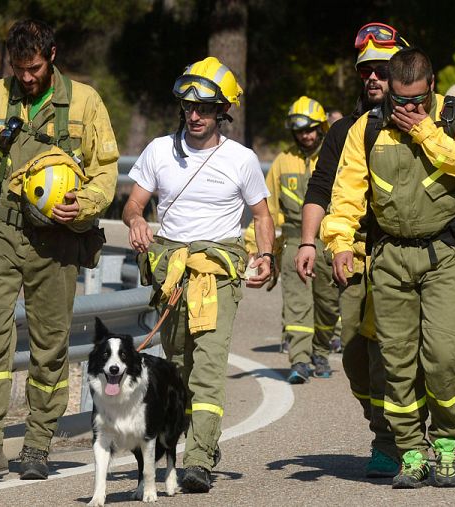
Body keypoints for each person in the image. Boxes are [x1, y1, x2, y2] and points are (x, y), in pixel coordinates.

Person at [0, 18, 119, 482]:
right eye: (18, 68)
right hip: (0, 233)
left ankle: (37, 445)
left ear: (51, 56)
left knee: (50, 346)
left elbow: (106, 172)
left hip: (58, 241)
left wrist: (84, 205)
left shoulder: (86, 102)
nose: (27, 77)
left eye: (34, 68)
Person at [322, 47, 455, 488]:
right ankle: (411, 450)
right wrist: (340, 243)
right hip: (390, 258)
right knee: (396, 362)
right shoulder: (367, 128)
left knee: (442, 356)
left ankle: (446, 440)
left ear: (432, 86)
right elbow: (346, 193)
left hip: (445, 256)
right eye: (400, 101)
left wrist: (425, 132)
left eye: (418, 100)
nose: (409, 109)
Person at [123, 56, 274, 493]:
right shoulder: (159, 151)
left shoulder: (241, 160)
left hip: (217, 275)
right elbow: (133, 204)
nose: (195, 116)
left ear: (221, 111)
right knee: (177, 368)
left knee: (207, 365)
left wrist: (265, 254)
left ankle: (200, 458)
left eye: (204, 109)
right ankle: (186, 440)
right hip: (172, 273)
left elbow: (262, 215)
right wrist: (136, 220)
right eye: (189, 107)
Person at [297, 22, 411, 478]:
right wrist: (308, 242)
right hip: (352, 254)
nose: (373, 78)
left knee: (390, 353)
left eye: (382, 70)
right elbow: (320, 188)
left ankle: (394, 441)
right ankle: (384, 425)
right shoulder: (344, 130)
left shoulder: (418, 126)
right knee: (355, 358)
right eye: (366, 72)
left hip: (403, 256)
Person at [247, 96, 337, 383]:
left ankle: (320, 352)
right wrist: (255, 247)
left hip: (328, 242)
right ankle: (299, 360)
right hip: (294, 242)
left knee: (328, 305)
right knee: (298, 304)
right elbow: (267, 210)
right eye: (300, 131)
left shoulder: (335, 157)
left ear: (322, 128)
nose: (306, 136)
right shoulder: (282, 162)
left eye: (311, 129)